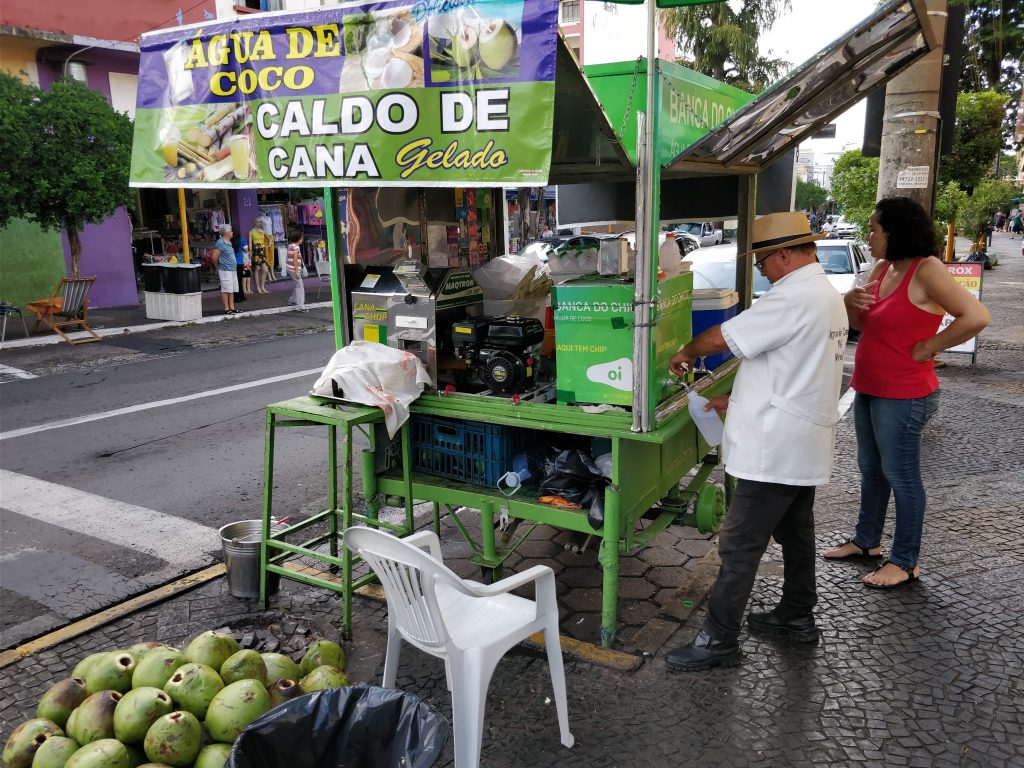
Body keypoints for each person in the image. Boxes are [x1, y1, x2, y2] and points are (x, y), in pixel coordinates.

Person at [664, 211, 848, 672]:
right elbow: (791, 369)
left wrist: (685, 351)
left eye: (763, 261)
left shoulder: (791, 298)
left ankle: (718, 640)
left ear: (784, 255)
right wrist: (736, 398)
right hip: (800, 440)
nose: (762, 270)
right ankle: (796, 616)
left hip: (774, 450)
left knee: (740, 546)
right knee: (795, 534)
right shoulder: (824, 294)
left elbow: (723, 337)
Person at [822, 197, 990, 588]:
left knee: (902, 477)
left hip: (905, 393)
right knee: (871, 471)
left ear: (894, 232)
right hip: (869, 385)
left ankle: (906, 561)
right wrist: (848, 303)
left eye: (873, 229)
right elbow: (860, 324)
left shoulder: (926, 269)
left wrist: (930, 347)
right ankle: (866, 543)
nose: (869, 235)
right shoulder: (883, 268)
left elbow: (977, 316)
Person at [214, 224, 239, 315]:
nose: (232, 232)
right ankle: (226, 308)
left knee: (231, 289)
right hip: (225, 269)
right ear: (227, 233)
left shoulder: (229, 242)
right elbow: (214, 257)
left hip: (232, 269)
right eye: (231, 231)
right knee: (226, 289)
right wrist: (217, 268)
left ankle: (232, 307)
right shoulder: (220, 242)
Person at [286, 226, 307, 312]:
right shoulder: (296, 247)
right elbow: (295, 259)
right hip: (294, 269)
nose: (302, 240)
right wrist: (297, 271)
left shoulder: (290, 246)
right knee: (300, 287)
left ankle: (292, 300)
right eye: (301, 238)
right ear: (298, 239)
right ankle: (300, 306)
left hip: (290, 268)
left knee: (297, 285)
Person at [231, 230, 249, 303]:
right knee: (239, 280)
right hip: (240, 263)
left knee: (233, 281)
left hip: (231, 263)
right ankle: (241, 296)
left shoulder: (229, 239)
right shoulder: (242, 239)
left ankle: (236, 297)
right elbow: (246, 250)